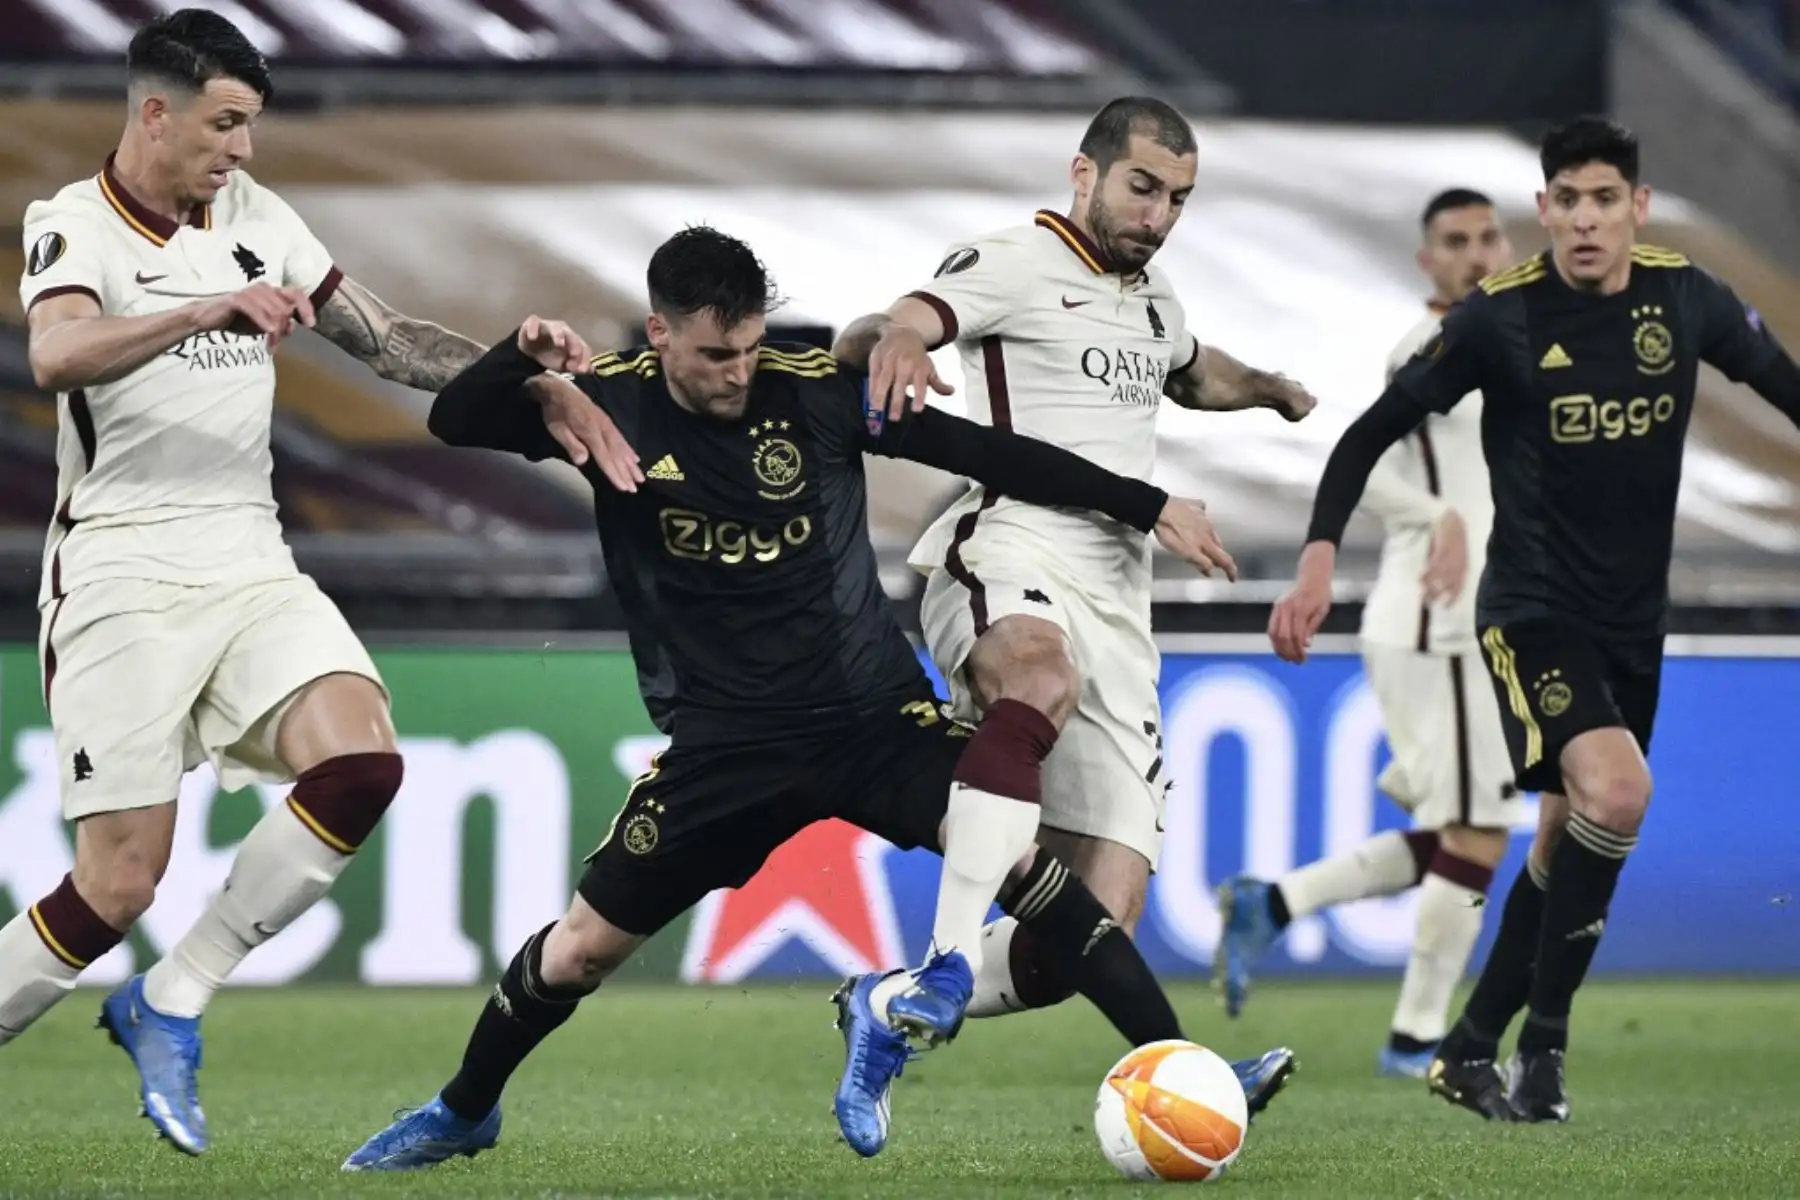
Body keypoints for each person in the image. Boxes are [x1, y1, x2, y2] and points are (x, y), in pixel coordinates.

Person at [341, 227, 1294, 1172]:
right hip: (723, 748)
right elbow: (454, 421)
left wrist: (1148, 502)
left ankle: (1184, 1065)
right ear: (660, 332)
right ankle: (463, 1110)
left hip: (872, 720)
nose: (737, 372)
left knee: (1035, 878)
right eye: (716, 354)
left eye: (752, 346)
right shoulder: (604, 405)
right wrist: (522, 357)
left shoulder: (815, 394)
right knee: (579, 952)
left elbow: (998, 456)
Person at [0, 10, 514, 1156]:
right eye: (225, 125)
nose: (242, 151)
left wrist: (518, 365)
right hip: (123, 566)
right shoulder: (74, 224)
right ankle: (134, 979)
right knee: (115, 887)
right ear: (154, 113)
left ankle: (171, 999)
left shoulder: (257, 216)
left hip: (248, 551)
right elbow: (55, 354)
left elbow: (385, 339)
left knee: (363, 760)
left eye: (251, 127)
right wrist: (201, 309)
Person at [1268, 116, 1800, 1122]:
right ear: (1545, 210)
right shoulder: (1498, 320)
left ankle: (1471, 1050)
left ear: (1636, 209)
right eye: (1570, 201)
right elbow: (1369, 435)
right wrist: (1317, 560)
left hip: (1633, 623)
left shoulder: (1685, 299)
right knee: (1620, 792)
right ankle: (1546, 1049)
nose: (1588, 220)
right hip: (1531, 612)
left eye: (1608, 200)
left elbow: (1785, 389)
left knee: (1568, 835)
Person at [829, 95, 1315, 1026]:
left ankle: (887, 1004)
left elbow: (1191, 368)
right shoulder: (1013, 259)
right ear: (1084, 173)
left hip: (1117, 596)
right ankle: (942, 958)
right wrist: (894, 337)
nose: (1159, 216)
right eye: (1143, 188)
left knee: (1101, 922)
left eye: (1178, 199)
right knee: (1037, 677)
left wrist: (1263, 389)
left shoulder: (1154, 296)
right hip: (1014, 543)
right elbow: (916, 316)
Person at [1215, 189, 1521, 1079]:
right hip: (1437, 620)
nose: (1476, 254)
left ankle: (1273, 902)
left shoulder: (1506, 342)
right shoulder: (1427, 348)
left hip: (1474, 620)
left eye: (1487, 236)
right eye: (1455, 242)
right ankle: (1417, 1042)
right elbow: (1362, 463)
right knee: (1478, 832)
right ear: (1427, 263)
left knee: (1462, 828)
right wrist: (1441, 516)